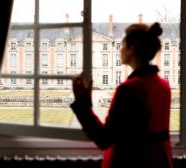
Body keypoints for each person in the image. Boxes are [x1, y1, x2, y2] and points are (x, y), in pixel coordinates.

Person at [71, 22, 173, 168]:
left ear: (131, 49)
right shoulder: (164, 86)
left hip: (131, 162)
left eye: (122, 45)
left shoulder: (129, 89)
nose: (120, 49)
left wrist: (82, 102)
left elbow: (104, 139)